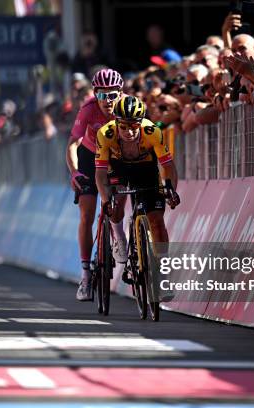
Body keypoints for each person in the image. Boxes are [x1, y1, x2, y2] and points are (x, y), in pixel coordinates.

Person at [94, 95, 180, 286]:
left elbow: (168, 166)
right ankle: (120, 238)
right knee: (115, 209)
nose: (129, 131)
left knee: (157, 222)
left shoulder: (152, 131)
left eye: (134, 126)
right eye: (123, 126)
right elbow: (100, 173)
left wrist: (171, 190)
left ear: (141, 123)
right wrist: (105, 198)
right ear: (116, 122)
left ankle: (161, 273)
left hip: (146, 170)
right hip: (118, 168)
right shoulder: (105, 134)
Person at [66, 68, 128, 301]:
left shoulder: (128, 107)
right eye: (102, 95)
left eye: (112, 95)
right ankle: (85, 274)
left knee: (117, 207)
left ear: (120, 94)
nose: (107, 101)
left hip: (117, 157)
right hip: (90, 157)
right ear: (95, 94)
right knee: (87, 214)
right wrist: (74, 172)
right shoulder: (88, 109)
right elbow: (72, 144)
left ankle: (118, 235)